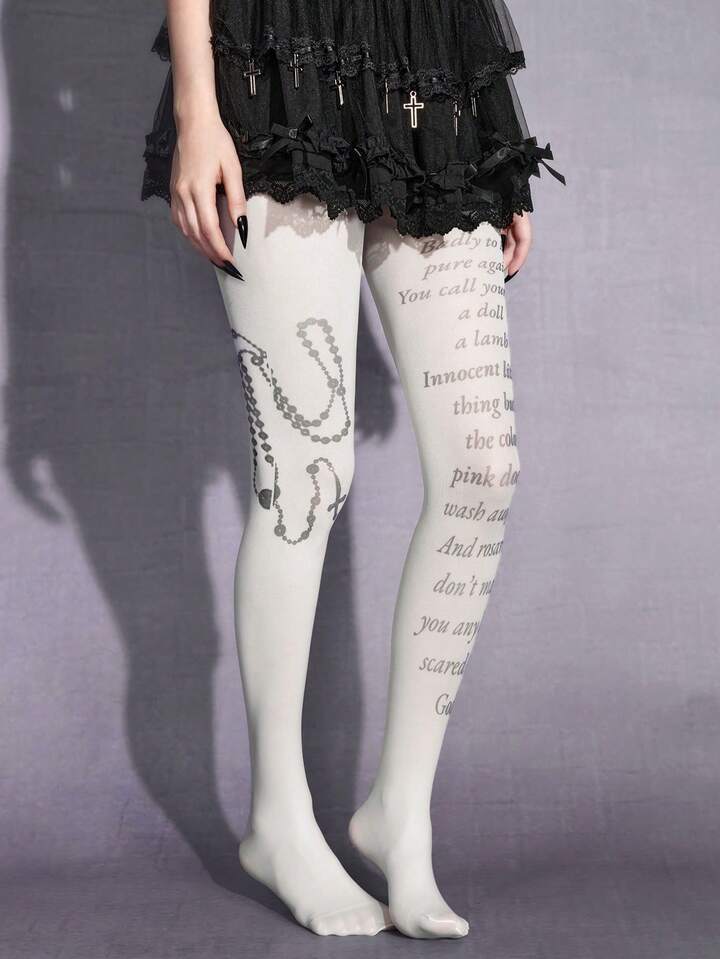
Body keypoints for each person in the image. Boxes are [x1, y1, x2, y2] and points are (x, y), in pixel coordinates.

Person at [140, 0, 564, 940]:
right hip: (275, 57)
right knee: (307, 473)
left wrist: (494, 132)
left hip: (431, 65)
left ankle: (399, 811)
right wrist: (199, 108)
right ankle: (279, 819)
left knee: (483, 466)